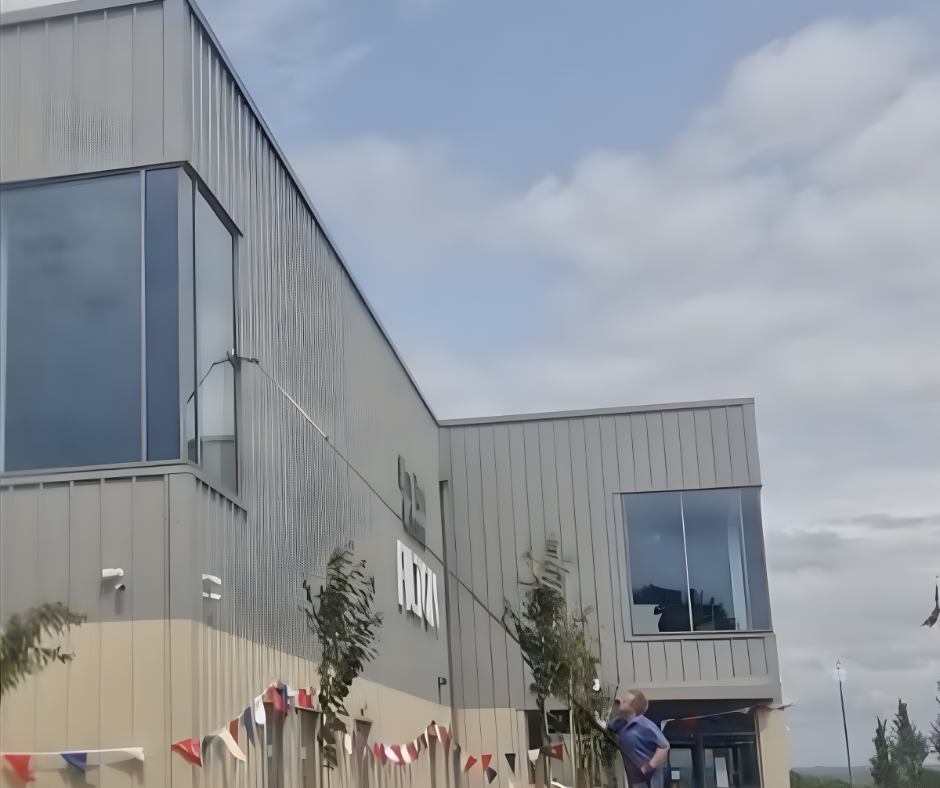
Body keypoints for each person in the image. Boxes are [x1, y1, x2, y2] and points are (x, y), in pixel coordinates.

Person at [608, 690, 670, 788]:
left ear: (634, 707)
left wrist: (649, 767)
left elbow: (665, 746)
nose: (622, 701)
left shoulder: (644, 724)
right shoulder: (618, 723)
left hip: (647, 779)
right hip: (632, 776)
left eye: (625, 701)